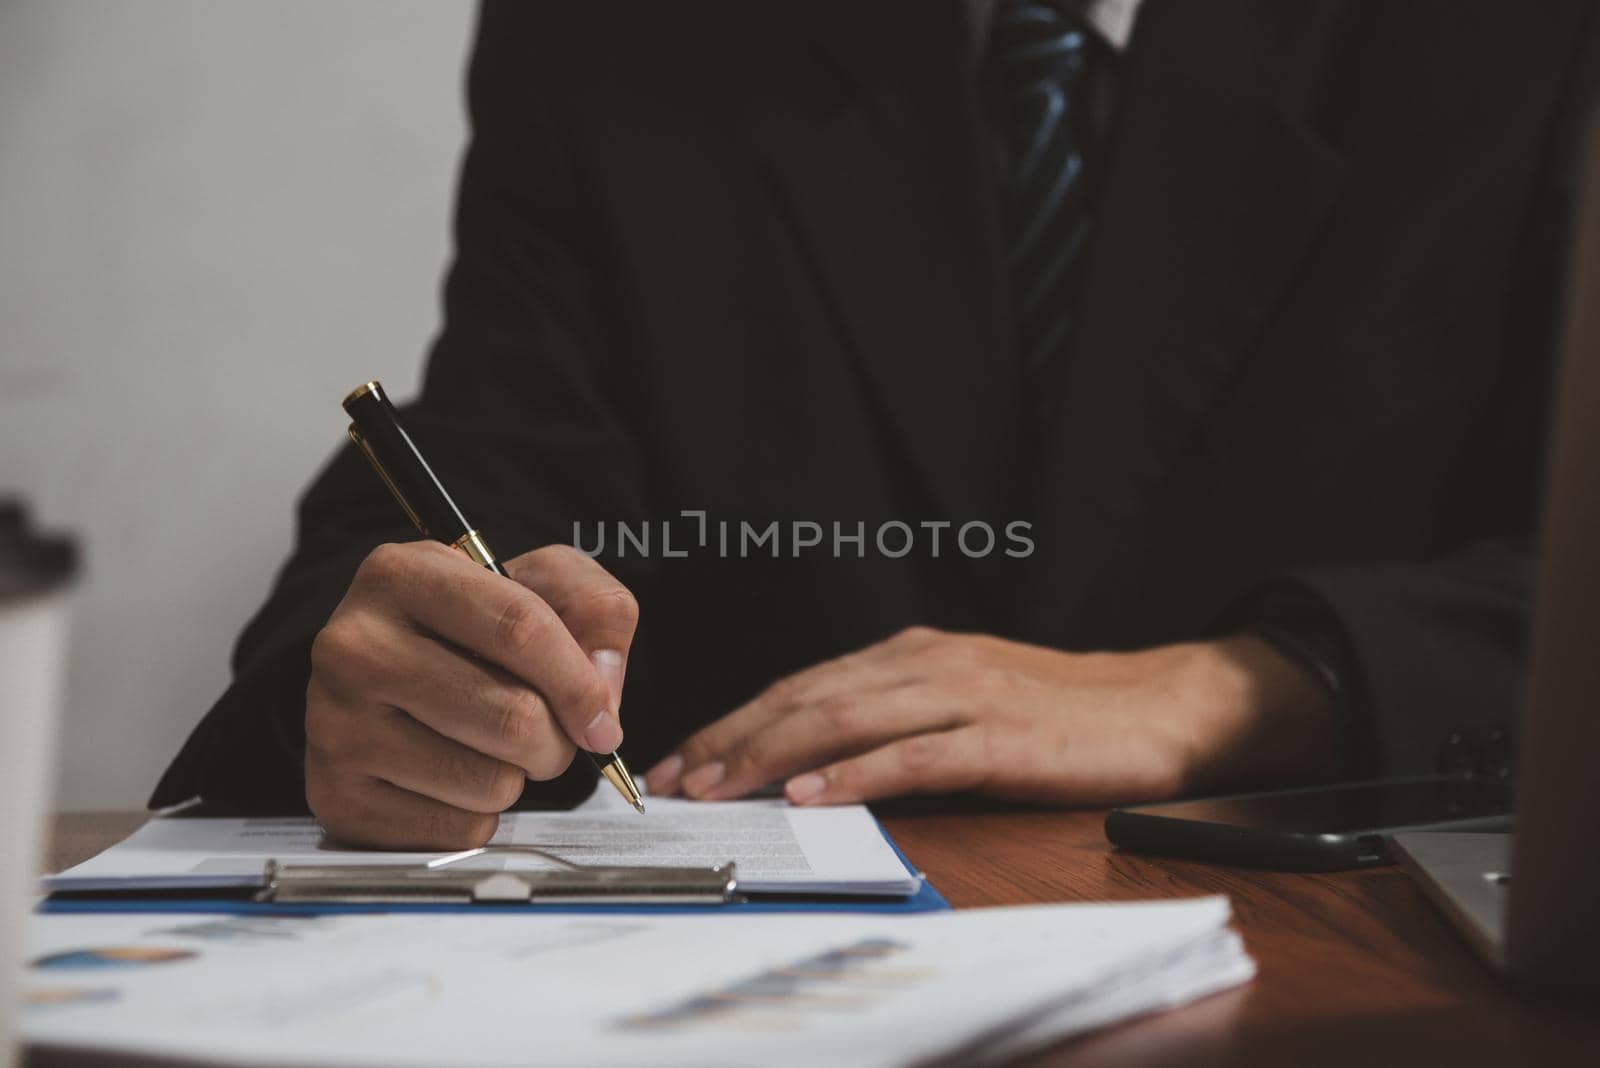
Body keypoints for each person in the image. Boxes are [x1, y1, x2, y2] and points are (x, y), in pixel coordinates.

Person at [154, 0, 1599, 848]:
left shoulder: (1525, 41)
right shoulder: (618, 37)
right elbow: (473, 479)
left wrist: (1253, 687)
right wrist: (358, 683)